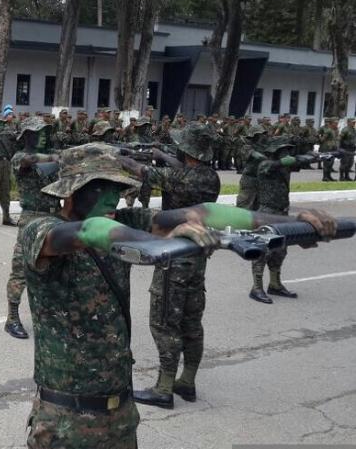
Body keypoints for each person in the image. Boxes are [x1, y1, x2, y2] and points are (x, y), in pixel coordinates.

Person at [19, 142, 337, 449]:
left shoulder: (124, 221)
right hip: (65, 424)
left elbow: (205, 213)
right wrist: (159, 243)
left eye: (118, 188)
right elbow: (90, 233)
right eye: (102, 187)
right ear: (72, 192)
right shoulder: (41, 229)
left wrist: (294, 223)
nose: (113, 198)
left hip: (120, 416)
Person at [118, 124, 220, 409]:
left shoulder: (181, 178)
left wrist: (121, 157)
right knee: (191, 321)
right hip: (197, 256)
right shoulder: (210, 176)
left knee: (164, 322)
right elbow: (176, 167)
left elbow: (143, 173)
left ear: (187, 151)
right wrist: (158, 153)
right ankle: (187, 382)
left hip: (174, 255)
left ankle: (163, 388)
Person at [5, 118, 60, 340]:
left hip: (55, 216)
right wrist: (54, 157)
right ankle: (12, 318)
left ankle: (49, 316)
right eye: (39, 132)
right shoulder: (20, 157)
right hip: (31, 218)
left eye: (46, 132)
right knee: (22, 269)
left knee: (54, 269)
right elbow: (28, 160)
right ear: (28, 136)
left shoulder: (55, 155)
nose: (45, 135)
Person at [248, 137, 313, 304]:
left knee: (280, 250)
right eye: (283, 150)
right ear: (275, 151)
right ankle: (256, 288)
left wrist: (313, 157)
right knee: (263, 251)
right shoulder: (265, 165)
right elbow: (270, 167)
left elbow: (298, 163)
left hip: (282, 213)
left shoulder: (285, 167)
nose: (287, 152)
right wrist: (285, 161)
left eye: (288, 150)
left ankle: (275, 284)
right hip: (267, 213)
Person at [318, 117, 340, 182]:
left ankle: (329, 176)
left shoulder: (334, 130)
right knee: (326, 164)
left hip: (332, 149)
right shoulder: (328, 130)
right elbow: (322, 139)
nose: (336, 124)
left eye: (337, 123)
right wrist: (319, 137)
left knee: (331, 163)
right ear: (331, 123)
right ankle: (325, 177)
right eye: (335, 123)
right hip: (326, 149)